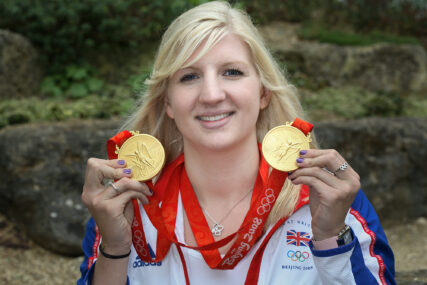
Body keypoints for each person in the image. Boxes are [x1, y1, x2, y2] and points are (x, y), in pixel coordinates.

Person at [78, 1, 395, 284]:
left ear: (263, 93)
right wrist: (116, 250)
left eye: (231, 72)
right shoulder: (126, 207)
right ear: (168, 104)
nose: (212, 94)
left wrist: (329, 238)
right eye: (189, 77)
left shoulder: (330, 199)